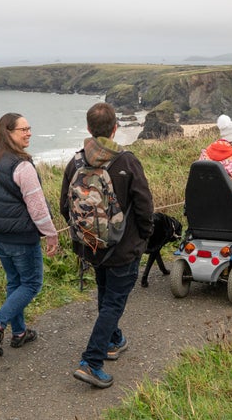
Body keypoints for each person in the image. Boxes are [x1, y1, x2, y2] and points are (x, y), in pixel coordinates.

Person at [60, 102, 154, 388]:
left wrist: (87, 234)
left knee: (105, 293)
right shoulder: (126, 162)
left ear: (88, 128)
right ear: (116, 128)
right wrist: (144, 236)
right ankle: (92, 360)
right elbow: (144, 205)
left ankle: (113, 340)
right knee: (113, 302)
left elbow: (65, 206)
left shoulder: (75, 162)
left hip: (91, 247)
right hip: (123, 249)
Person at [0, 112, 59, 357]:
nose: (29, 132)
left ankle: (19, 333)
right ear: (8, 133)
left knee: (15, 282)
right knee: (32, 283)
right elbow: (37, 206)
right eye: (23, 129)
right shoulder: (21, 165)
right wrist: (51, 234)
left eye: (29, 128)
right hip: (20, 236)